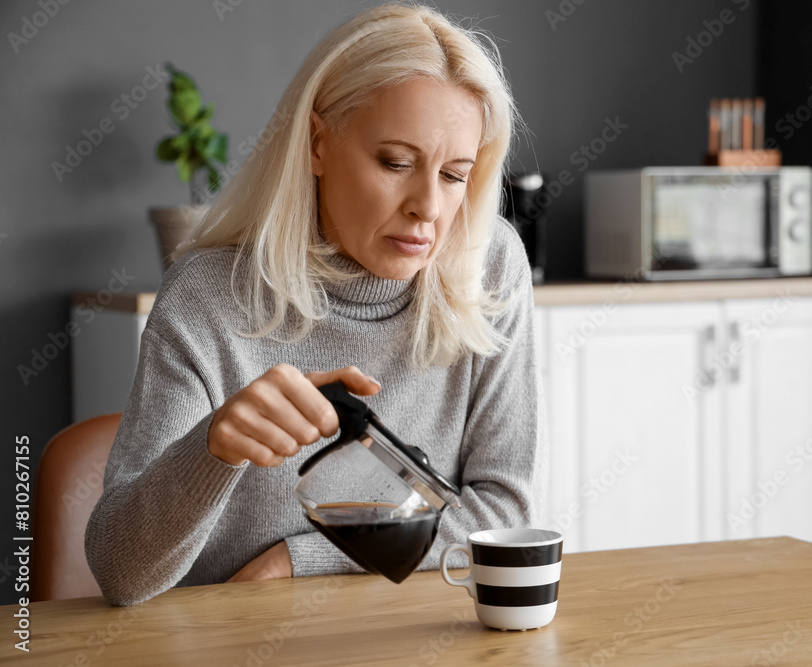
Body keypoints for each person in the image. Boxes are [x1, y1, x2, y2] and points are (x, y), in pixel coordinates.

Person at [85, 2, 547, 607]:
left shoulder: (489, 266)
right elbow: (119, 572)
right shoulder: (206, 299)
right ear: (316, 144)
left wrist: (303, 559)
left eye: (455, 175)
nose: (428, 208)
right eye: (396, 162)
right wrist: (213, 450)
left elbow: (503, 515)